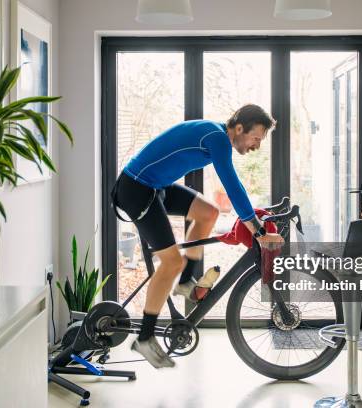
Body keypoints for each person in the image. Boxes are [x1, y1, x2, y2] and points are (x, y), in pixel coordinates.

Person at [112, 104, 285, 368]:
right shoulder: (216, 137)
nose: (256, 146)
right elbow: (232, 185)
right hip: (135, 188)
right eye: (256, 138)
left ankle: (184, 282)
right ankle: (145, 338)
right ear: (239, 128)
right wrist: (256, 228)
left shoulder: (214, 133)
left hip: (155, 186)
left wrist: (253, 221)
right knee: (171, 261)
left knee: (208, 213)